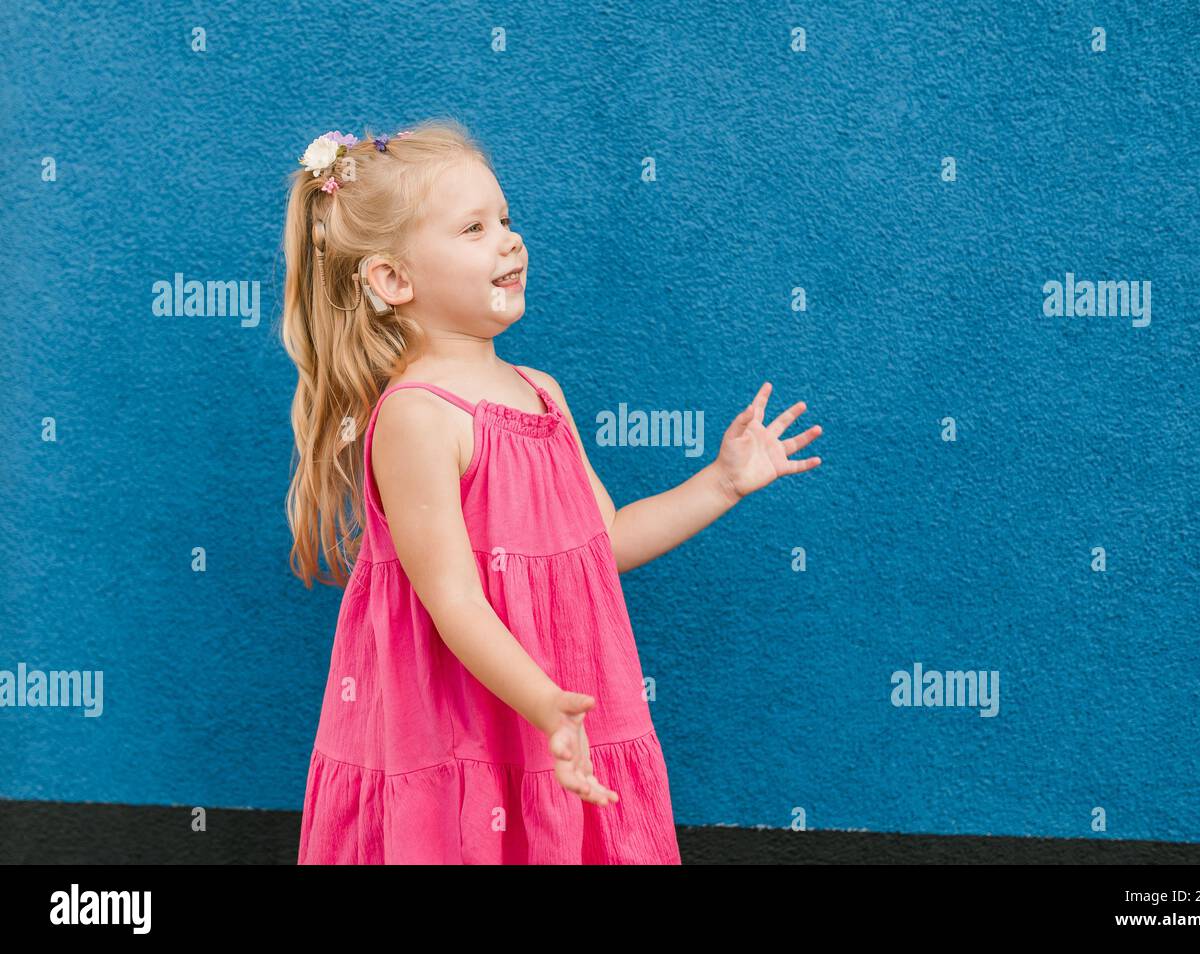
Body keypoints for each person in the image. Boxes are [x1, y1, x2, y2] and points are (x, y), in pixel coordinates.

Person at [282, 119, 824, 864]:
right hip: (467, 726)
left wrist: (722, 481)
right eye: (473, 228)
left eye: (505, 220)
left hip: (556, 717)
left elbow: (604, 544)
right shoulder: (417, 416)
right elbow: (454, 601)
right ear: (393, 280)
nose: (509, 240)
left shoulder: (543, 394)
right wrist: (540, 703)